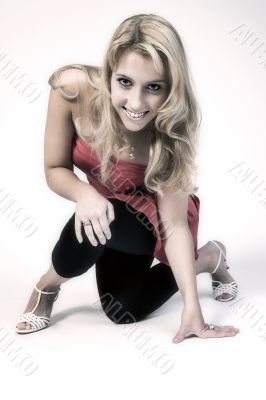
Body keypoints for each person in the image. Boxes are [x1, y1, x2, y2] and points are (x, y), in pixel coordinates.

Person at [15, 13, 239, 342]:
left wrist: (193, 310)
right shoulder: (72, 89)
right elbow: (55, 168)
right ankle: (207, 258)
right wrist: (83, 193)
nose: (135, 103)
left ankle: (47, 286)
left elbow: (174, 225)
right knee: (125, 310)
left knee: (99, 223)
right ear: (109, 72)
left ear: (171, 88)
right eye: (124, 82)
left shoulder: (170, 133)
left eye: (153, 87)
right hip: (105, 210)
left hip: (152, 219)